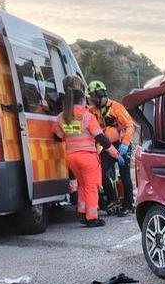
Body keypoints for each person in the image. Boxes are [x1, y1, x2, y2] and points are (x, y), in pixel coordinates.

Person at [53, 76, 124, 227]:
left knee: (82, 185)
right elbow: (101, 138)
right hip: (88, 158)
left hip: (71, 158)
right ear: (81, 100)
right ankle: (92, 218)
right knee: (91, 187)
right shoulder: (87, 116)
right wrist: (116, 154)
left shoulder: (62, 117)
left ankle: (82, 213)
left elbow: (58, 137)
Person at [86, 80, 135, 215]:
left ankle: (128, 205)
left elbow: (129, 126)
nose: (92, 100)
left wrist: (125, 144)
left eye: (93, 96)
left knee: (125, 175)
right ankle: (113, 199)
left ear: (100, 94)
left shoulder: (116, 107)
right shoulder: (92, 110)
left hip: (122, 144)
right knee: (101, 171)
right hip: (107, 146)